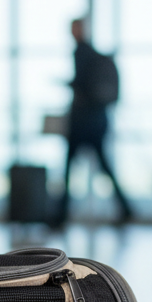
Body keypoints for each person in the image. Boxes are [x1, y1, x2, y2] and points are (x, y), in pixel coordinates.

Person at [53, 18, 132, 227]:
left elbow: (81, 83)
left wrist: (68, 84)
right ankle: (126, 209)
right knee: (103, 168)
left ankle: (60, 217)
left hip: (84, 121)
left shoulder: (81, 52)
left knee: (69, 169)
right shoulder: (95, 55)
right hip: (98, 120)